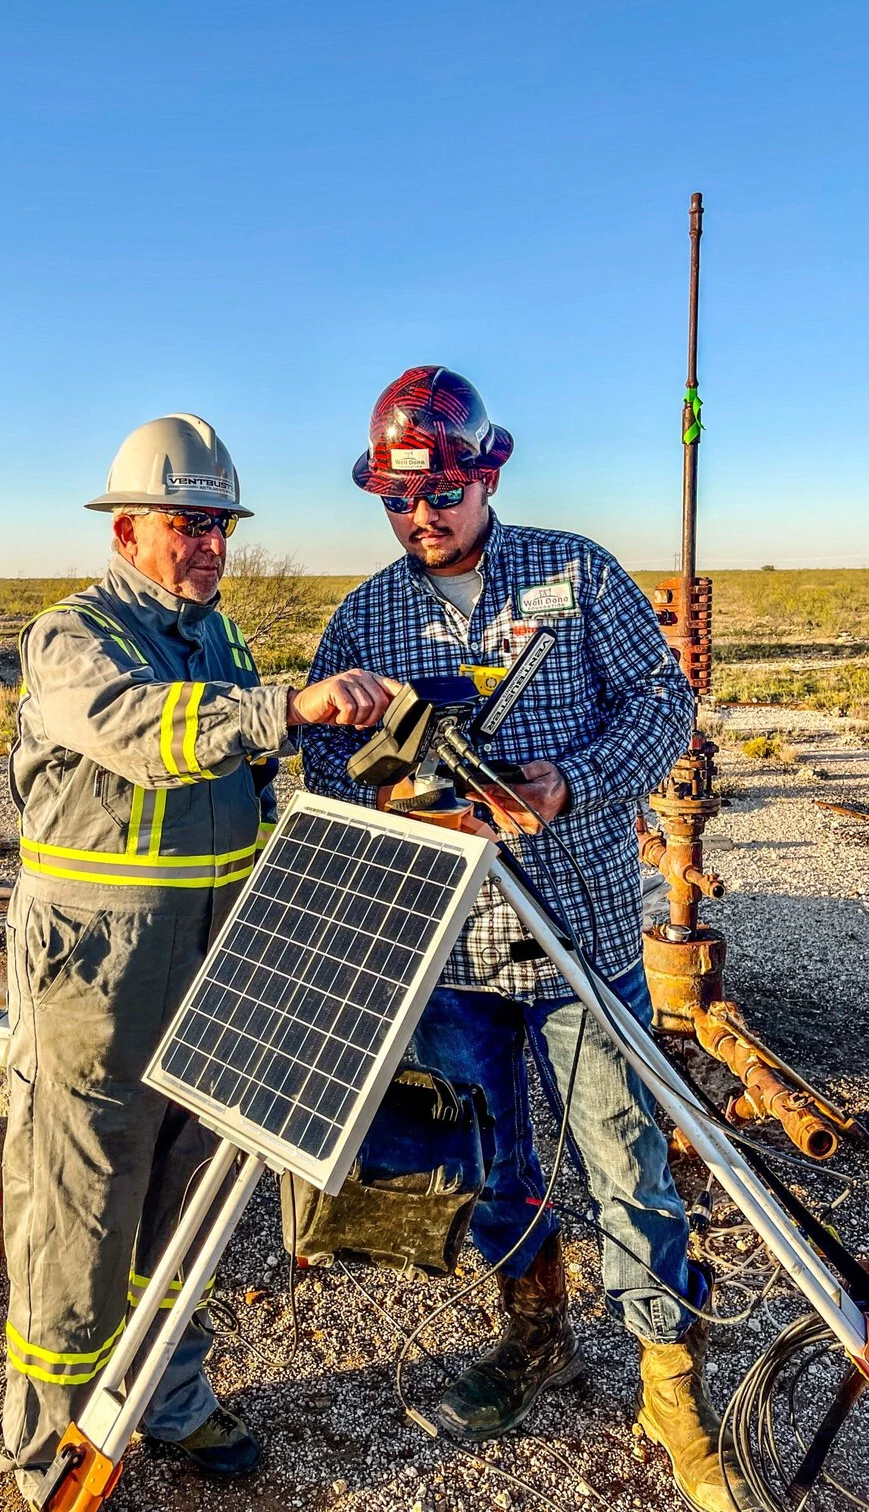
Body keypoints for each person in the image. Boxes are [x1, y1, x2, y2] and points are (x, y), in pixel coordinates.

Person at [300, 367, 740, 1512]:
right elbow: (319, 768)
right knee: (494, 1166)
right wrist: (389, 797)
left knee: (625, 1158)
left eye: (442, 490)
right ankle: (531, 1336)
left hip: (582, 935)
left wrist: (571, 783)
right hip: (452, 954)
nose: (421, 516)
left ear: (487, 473)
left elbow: (663, 703)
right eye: (398, 500)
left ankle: (668, 1376)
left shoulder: (577, 573)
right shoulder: (366, 617)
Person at [0, 413, 396, 1507]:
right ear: (127, 528)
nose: (210, 542)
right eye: (189, 521)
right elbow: (140, 731)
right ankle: (50, 1448)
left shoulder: (222, 643)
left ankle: (166, 1400)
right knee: (80, 1212)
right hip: (99, 980)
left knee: (186, 1199)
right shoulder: (73, 639)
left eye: (220, 522)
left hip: (213, 967)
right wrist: (283, 709)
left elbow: (254, 774)